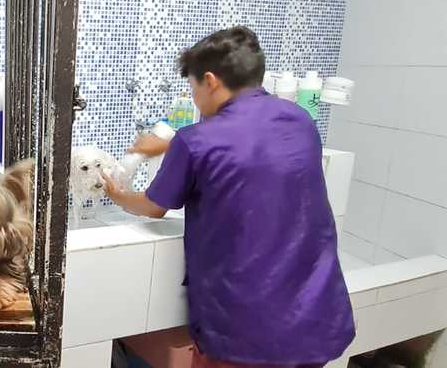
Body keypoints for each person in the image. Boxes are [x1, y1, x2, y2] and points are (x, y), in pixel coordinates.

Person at [103, 26, 355, 368]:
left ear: (210, 81)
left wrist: (118, 195)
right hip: (315, 317)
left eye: (193, 88)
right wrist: (168, 145)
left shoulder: (194, 141)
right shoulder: (301, 120)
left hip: (244, 331)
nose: (194, 99)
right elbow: (250, 144)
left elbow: (153, 206)